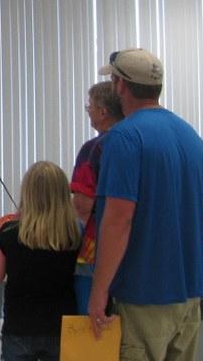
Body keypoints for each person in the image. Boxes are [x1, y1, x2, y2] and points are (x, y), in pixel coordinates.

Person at [90, 48, 203, 361]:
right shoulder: (190, 136)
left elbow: (118, 220)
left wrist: (99, 291)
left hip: (144, 294)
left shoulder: (125, 137)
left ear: (120, 85)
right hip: (189, 292)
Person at [0, 161, 81, 361]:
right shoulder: (76, 232)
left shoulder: (9, 232)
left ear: (27, 194)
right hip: (63, 327)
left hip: (19, 327)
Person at [70, 81, 124, 314]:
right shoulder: (137, 142)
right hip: (132, 249)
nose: (88, 112)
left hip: (95, 250)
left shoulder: (94, 149)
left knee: (91, 322)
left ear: (103, 112)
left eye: (89, 106)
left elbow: (82, 208)